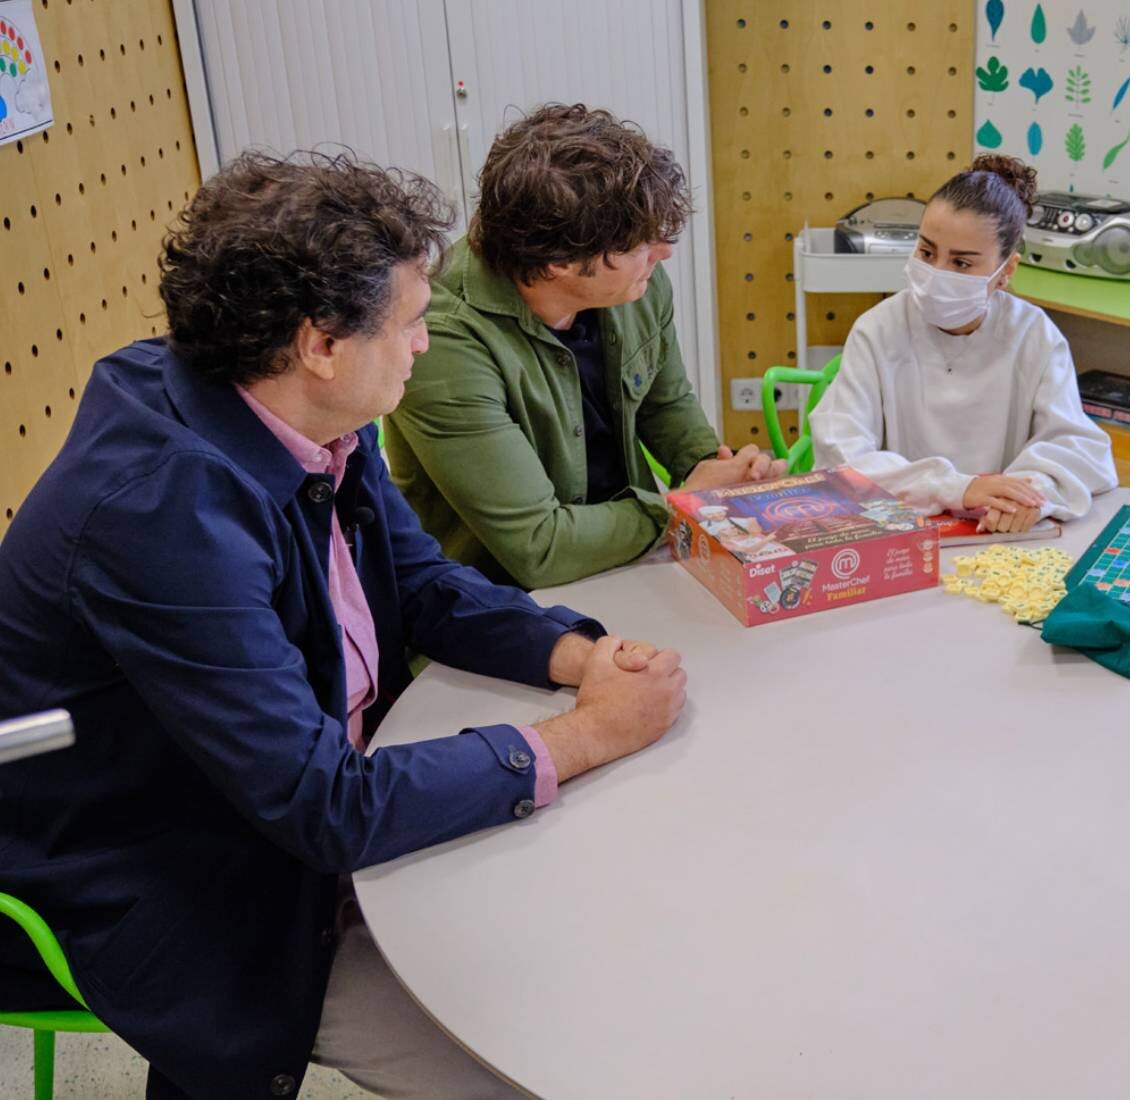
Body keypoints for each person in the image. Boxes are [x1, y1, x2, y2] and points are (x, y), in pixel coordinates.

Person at [0, 151, 687, 1098]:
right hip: (179, 871)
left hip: (281, 802)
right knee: (539, 1064)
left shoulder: (302, 408)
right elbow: (325, 806)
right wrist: (588, 732)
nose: (424, 344)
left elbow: (418, 585)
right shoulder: (158, 510)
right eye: (410, 324)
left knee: (599, 922)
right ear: (321, 341)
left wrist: (582, 654)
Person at [386, 103, 775, 589]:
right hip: (502, 606)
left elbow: (665, 404)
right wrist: (681, 507)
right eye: (638, 245)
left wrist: (722, 473)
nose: (663, 252)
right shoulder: (442, 337)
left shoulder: (634, 283)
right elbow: (539, 546)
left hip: (626, 562)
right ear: (557, 264)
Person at [809, 154, 1117, 533]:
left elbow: (1078, 448)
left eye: (962, 264)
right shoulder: (878, 329)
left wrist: (1030, 494)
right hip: (901, 531)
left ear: (1006, 271)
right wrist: (957, 488)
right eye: (926, 252)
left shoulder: (1033, 335)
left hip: (1000, 532)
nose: (936, 274)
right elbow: (840, 455)